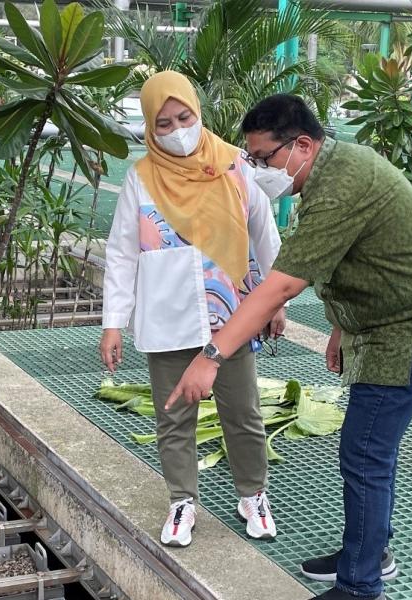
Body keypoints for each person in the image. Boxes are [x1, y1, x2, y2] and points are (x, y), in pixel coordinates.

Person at [165, 94, 412, 600]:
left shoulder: (339, 188)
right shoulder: (334, 168)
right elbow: (360, 255)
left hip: (408, 335)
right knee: (371, 452)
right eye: (253, 160)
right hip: (381, 326)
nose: (259, 169)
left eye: (264, 159)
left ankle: (360, 584)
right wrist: (340, 326)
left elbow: (281, 286)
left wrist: (211, 356)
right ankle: (368, 552)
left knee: (365, 453)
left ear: (302, 145)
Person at [100, 71, 286, 549]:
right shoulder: (140, 179)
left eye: (184, 117)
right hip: (168, 317)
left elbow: (265, 235)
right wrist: (112, 323)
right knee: (174, 417)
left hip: (233, 316)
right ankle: (182, 500)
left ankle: (253, 495)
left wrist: (275, 304)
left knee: (242, 413)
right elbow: (122, 253)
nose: (177, 130)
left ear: (197, 112)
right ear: (149, 127)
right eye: (163, 123)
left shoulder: (234, 165)